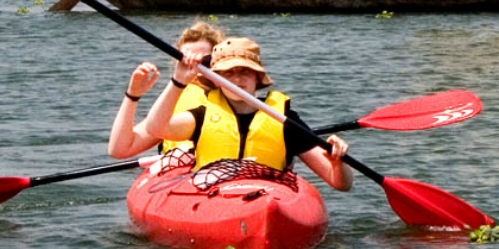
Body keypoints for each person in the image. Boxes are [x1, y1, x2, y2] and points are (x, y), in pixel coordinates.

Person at [133, 36, 352, 191]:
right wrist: (177, 81)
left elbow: (341, 183)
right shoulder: (201, 115)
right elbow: (156, 128)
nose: (238, 79)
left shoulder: (285, 120)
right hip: (212, 193)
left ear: (258, 77)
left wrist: (338, 161)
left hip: (267, 195)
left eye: (245, 72)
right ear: (217, 80)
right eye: (229, 73)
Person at [108, 22, 224, 163]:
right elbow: (119, 149)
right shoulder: (172, 104)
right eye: (186, 62)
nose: (195, 70)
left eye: (204, 62)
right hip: (180, 175)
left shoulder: (240, 98)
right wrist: (132, 95)